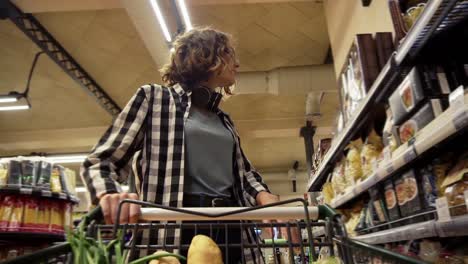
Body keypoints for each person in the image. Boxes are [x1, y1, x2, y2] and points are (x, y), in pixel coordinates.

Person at [81, 27, 283, 263]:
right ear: (206, 55)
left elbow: (244, 173)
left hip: (230, 224)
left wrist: (263, 195)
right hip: (174, 227)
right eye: (228, 53)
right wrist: (109, 193)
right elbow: (102, 161)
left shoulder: (224, 120)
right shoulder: (154, 99)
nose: (237, 63)